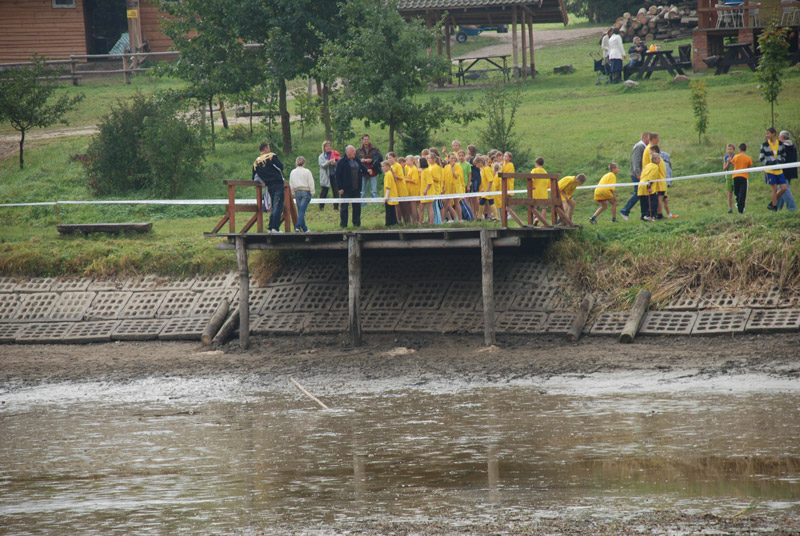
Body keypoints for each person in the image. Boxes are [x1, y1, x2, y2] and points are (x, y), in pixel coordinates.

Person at [252, 142, 285, 233]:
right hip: (277, 183)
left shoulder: (256, 162)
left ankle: (271, 227)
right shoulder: (271, 156)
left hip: (269, 185)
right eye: (268, 147)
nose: (269, 149)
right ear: (266, 148)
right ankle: (275, 227)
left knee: (274, 206)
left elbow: (255, 177)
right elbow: (280, 166)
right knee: (278, 206)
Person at [335, 145, 370, 228]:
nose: (355, 152)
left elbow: (363, 168)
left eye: (354, 151)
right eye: (353, 151)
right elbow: (337, 176)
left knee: (357, 207)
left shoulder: (357, 160)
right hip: (346, 189)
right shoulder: (341, 162)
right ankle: (343, 225)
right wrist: (340, 188)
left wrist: (368, 171)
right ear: (347, 152)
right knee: (344, 207)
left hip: (356, 188)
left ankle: (356, 223)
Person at [620, 131, 649, 220]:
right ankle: (625, 210)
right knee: (638, 193)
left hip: (641, 174)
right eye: (649, 138)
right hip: (637, 174)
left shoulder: (643, 147)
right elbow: (636, 161)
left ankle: (643, 214)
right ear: (644, 138)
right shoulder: (639, 147)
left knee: (642, 194)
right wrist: (638, 173)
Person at [759, 127, 788, 211]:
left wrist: (780, 162)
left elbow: (784, 156)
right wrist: (769, 164)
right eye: (766, 133)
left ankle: (772, 203)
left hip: (779, 170)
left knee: (784, 188)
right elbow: (761, 158)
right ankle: (774, 207)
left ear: (773, 134)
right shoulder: (764, 145)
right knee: (774, 188)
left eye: (768, 133)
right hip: (770, 170)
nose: (767, 135)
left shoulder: (780, 144)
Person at [289, 156, 315, 232]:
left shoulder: (293, 172)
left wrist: (293, 192)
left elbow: (291, 183)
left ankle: (305, 229)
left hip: (297, 192)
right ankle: (297, 226)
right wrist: (312, 192)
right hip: (305, 191)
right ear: (304, 163)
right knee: (302, 211)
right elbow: (311, 182)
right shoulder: (307, 171)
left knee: (300, 210)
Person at [355, 134, 382, 203]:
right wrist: (361, 160)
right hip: (362, 172)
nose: (366, 141)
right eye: (365, 139)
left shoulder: (375, 149)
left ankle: (374, 203)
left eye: (367, 139)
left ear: (369, 140)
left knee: (374, 189)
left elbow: (380, 158)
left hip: (373, 171)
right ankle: (362, 203)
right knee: (362, 190)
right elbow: (355, 160)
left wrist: (372, 160)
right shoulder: (358, 150)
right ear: (362, 140)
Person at [638, 152, 662, 222]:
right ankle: (648, 215)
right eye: (658, 158)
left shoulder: (648, 165)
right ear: (654, 160)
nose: (659, 160)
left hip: (641, 185)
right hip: (648, 186)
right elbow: (651, 177)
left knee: (643, 203)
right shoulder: (655, 167)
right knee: (653, 202)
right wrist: (649, 187)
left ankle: (643, 216)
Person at [777, 131, 797, 211]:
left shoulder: (783, 147)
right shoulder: (792, 146)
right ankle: (776, 208)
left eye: (779, 137)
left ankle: (791, 208)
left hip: (783, 172)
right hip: (790, 171)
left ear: (782, 138)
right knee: (781, 190)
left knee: (784, 189)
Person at [731, 143, 753, 214]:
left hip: (735, 176)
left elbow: (733, 163)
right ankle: (740, 209)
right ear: (746, 149)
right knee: (742, 193)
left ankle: (738, 203)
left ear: (739, 149)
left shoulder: (736, 156)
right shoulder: (748, 158)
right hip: (744, 176)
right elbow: (749, 166)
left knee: (737, 192)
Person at [317, 140, 339, 211]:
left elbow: (338, 163)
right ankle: (321, 207)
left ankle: (336, 207)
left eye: (329, 146)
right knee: (324, 191)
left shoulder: (334, 154)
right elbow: (322, 165)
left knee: (336, 191)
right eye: (327, 146)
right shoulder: (321, 156)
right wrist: (329, 162)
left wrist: (335, 163)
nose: (328, 147)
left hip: (334, 175)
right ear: (324, 147)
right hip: (326, 176)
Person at [530, 157, 550, 225]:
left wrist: (531, 186)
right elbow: (548, 183)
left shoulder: (534, 170)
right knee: (543, 208)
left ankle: (535, 218)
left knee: (532, 206)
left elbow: (531, 180)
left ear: (536, 163)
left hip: (536, 191)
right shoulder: (545, 172)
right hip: (544, 192)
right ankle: (544, 223)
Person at [381, 160, 399, 226]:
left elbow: (388, 187)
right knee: (392, 210)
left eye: (384, 166)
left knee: (389, 211)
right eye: (382, 166)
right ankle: (394, 222)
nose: (382, 168)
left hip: (390, 195)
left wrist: (386, 196)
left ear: (388, 166)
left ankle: (389, 223)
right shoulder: (389, 173)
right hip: (392, 194)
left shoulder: (388, 174)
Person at [418, 157, 435, 224]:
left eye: (419, 162)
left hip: (428, 191)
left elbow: (430, 182)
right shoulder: (423, 171)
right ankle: (420, 222)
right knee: (421, 207)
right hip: (423, 191)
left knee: (430, 207)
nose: (418, 164)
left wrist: (425, 190)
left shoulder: (427, 171)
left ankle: (431, 223)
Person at [722, 143, 736, 213]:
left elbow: (737, 166)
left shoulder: (736, 156)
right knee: (730, 192)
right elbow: (724, 168)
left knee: (737, 192)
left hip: (736, 175)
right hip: (728, 176)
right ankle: (730, 208)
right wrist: (728, 162)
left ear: (733, 150)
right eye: (728, 149)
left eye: (730, 149)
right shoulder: (725, 157)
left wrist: (732, 162)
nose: (729, 151)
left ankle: (739, 206)